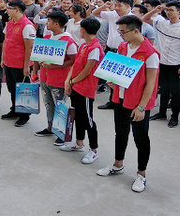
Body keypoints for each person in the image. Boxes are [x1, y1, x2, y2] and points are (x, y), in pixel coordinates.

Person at [96, 15, 159, 193]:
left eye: (123, 32)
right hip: (120, 98)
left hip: (138, 103)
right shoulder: (123, 46)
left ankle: (141, 174)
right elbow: (120, 70)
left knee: (141, 138)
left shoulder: (150, 53)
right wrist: (112, 80)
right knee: (121, 132)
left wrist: (141, 107)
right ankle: (118, 164)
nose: (120, 35)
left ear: (136, 31)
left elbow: (151, 83)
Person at [62, 17, 105, 164]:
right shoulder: (84, 45)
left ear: (84, 30)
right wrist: (68, 81)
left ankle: (94, 150)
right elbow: (75, 65)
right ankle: (79, 143)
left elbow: (87, 71)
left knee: (88, 119)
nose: (79, 30)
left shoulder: (95, 48)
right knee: (77, 116)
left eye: (80, 28)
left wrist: (72, 81)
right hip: (76, 86)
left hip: (86, 89)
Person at [144, 1, 180, 128]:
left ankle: (174, 117)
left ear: (179, 12)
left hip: (175, 64)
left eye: (171, 10)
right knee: (163, 90)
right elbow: (144, 19)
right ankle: (162, 113)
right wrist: (155, 10)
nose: (168, 12)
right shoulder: (162, 23)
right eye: (167, 10)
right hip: (161, 62)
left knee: (176, 92)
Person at [35, 11, 77, 145]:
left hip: (59, 79)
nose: (47, 23)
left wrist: (55, 66)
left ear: (57, 24)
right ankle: (50, 126)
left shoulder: (68, 41)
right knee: (48, 104)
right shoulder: (47, 37)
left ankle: (62, 131)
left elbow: (73, 60)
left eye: (49, 21)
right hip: (45, 76)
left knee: (61, 106)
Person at [1, 0, 36, 127]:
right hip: (9, 61)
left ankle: (24, 115)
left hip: (20, 64)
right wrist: (3, 58)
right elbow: (6, 41)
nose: (7, 11)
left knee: (22, 90)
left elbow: (29, 48)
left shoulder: (27, 26)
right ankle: (15, 110)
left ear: (17, 10)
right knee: (12, 88)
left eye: (9, 9)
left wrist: (26, 66)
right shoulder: (10, 23)